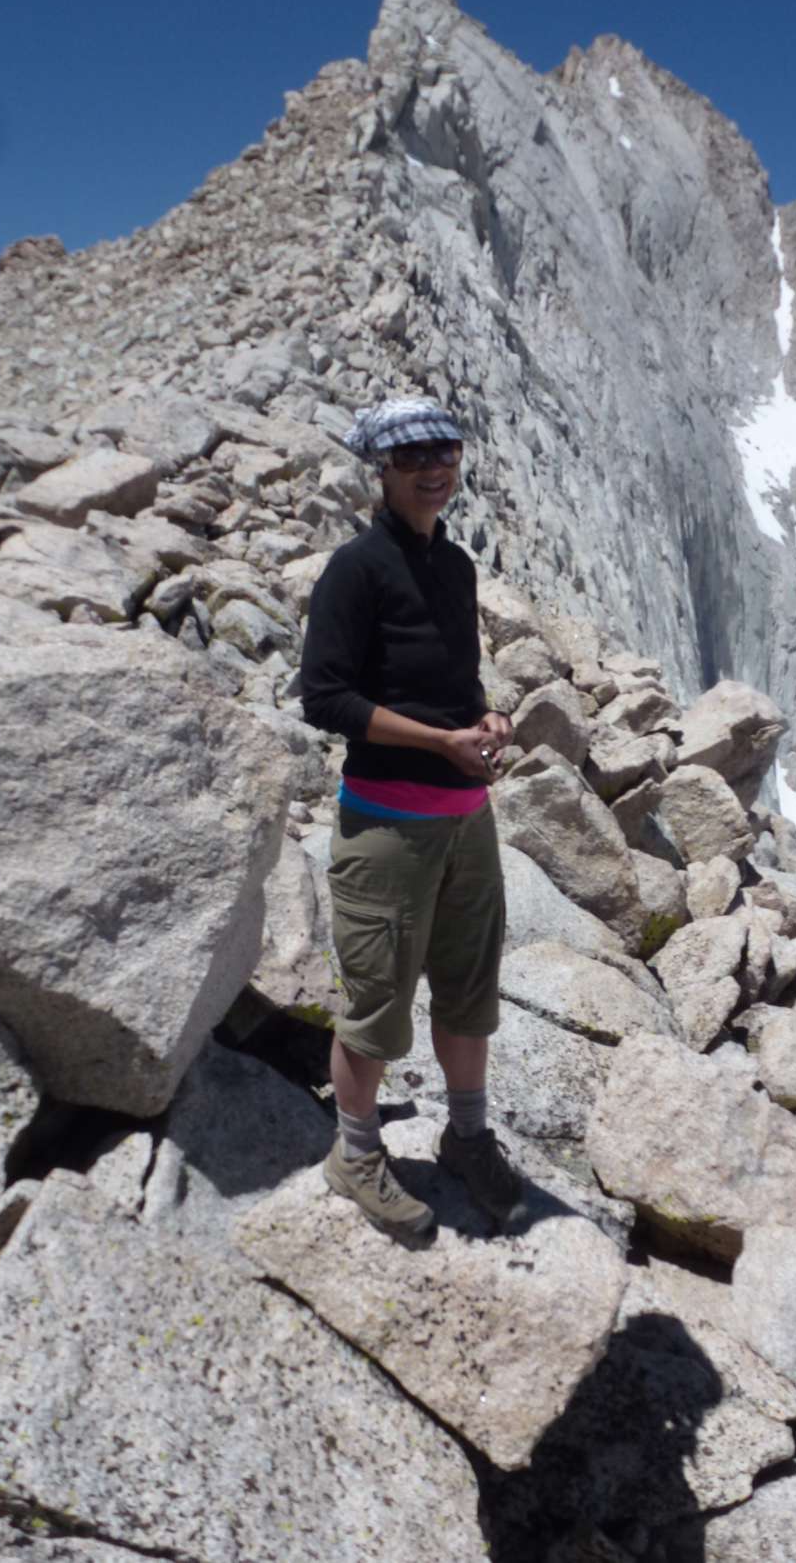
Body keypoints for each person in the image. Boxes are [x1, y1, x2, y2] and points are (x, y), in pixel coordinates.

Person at [300, 396, 523, 1238]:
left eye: (445, 451)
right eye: (412, 457)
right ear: (382, 470)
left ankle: (467, 1137)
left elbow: (452, 680)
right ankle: (355, 1155)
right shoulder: (356, 569)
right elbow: (325, 698)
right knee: (377, 1003)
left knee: (468, 989)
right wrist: (438, 743)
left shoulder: (453, 565)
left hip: (466, 820)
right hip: (387, 826)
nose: (433, 469)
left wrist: (484, 717)